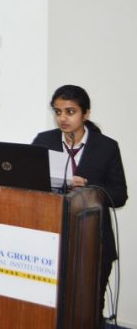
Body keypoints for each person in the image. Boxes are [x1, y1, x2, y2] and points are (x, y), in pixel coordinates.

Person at [32, 84, 128, 321]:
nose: (62, 118)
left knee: (89, 307)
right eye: (58, 112)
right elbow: (28, 183)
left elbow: (119, 195)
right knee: (51, 306)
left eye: (70, 112)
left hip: (94, 239)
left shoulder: (106, 146)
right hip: (51, 236)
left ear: (86, 114)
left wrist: (89, 186)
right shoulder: (44, 141)